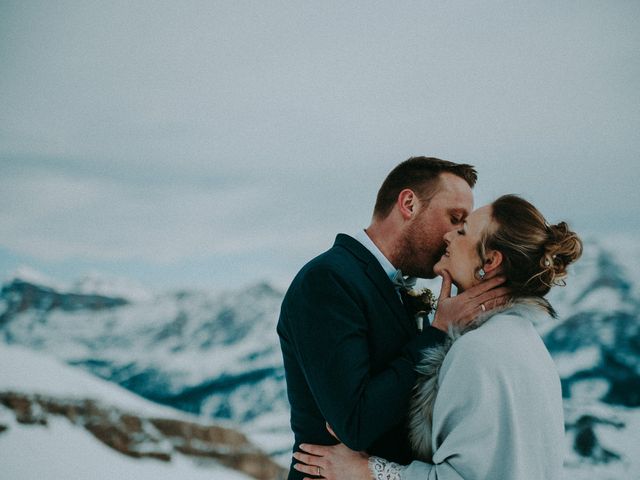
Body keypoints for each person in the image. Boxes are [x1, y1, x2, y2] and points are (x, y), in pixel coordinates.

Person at [292, 194, 583, 480]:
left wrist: (366, 471)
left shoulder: (478, 350)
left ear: (491, 260)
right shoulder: (523, 341)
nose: (448, 236)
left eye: (462, 229)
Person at [277, 157, 510, 480]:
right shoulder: (329, 280)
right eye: (455, 219)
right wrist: (439, 330)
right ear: (409, 204)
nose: (454, 237)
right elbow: (356, 424)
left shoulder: (390, 286)